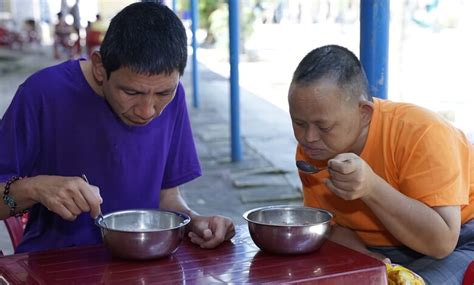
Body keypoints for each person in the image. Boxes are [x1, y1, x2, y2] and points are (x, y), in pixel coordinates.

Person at [0, 2, 234, 254]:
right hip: (55, 262)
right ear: (100, 67)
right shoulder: (43, 94)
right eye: (131, 92)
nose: (147, 111)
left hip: (144, 259)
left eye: (163, 92)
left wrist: (192, 220)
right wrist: (34, 188)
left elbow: (167, 197)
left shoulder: (174, 98)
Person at [288, 44, 474, 284]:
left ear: (364, 112)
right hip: (382, 247)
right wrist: (366, 258)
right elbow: (333, 226)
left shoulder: (420, 132)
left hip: (461, 239)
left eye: (323, 126)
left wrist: (372, 188)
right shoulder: (313, 151)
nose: (308, 137)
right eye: (299, 123)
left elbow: (441, 243)